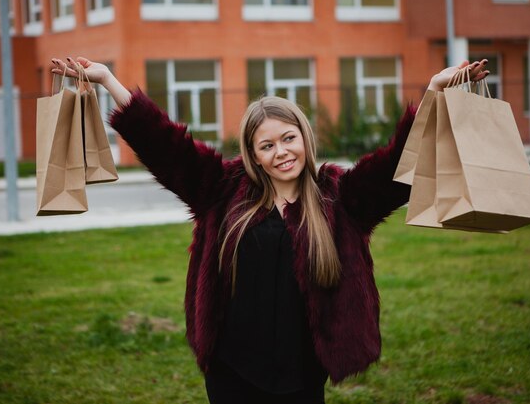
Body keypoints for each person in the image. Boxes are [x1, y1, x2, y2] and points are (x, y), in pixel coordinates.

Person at [51, 57, 489, 404]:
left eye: (288, 138)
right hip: (232, 371)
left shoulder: (341, 198)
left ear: (305, 138)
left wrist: (433, 92)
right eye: (267, 145)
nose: (281, 152)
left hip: (302, 375)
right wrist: (107, 79)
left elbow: (400, 164)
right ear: (254, 156)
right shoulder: (221, 191)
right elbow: (166, 145)